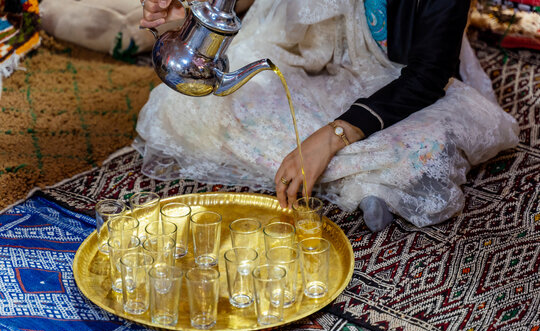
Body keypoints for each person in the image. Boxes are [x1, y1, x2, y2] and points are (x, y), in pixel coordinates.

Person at [135, 0, 518, 231]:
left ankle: (365, 174)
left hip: (396, 75)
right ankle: (365, 178)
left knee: (429, 148)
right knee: (187, 106)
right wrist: (193, 7)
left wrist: (334, 135)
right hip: (309, 58)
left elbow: (429, 75)